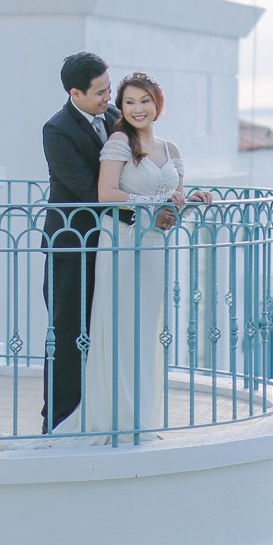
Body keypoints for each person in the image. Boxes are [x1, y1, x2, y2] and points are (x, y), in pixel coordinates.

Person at [62, 72, 211, 443]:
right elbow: (106, 194)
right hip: (121, 244)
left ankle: (140, 417)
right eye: (129, 102)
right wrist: (152, 202)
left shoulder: (171, 149)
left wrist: (191, 202)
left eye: (144, 101)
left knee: (145, 332)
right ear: (122, 107)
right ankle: (117, 417)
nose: (137, 109)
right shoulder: (118, 142)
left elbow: (169, 212)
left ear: (157, 104)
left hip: (154, 248)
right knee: (119, 328)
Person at [40, 51, 119, 434]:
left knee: (104, 329)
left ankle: (100, 412)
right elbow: (89, 190)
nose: (109, 97)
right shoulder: (56, 130)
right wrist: (142, 210)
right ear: (75, 93)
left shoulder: (115, 115)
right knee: (67, 333)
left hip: (108, 244)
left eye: (109, 88)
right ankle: (56, 420)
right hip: (71, 246)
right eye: (101, 92)